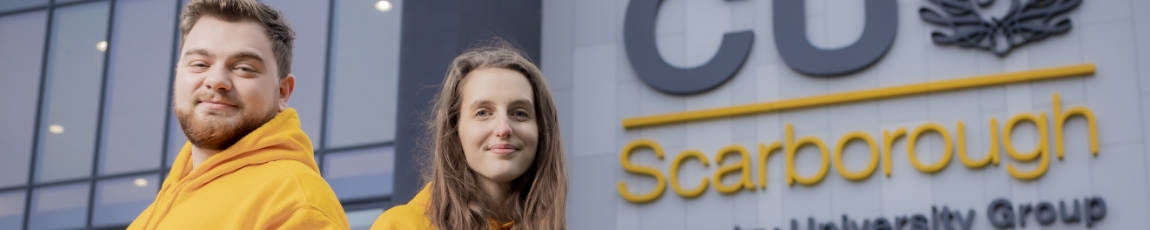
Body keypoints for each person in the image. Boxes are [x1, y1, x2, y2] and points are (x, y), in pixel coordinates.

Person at [128, 0, 348, 229]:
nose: (216, 81)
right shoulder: (151, 214)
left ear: (282, 92)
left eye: (244, 68)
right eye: (200, 64)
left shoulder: (296, 203)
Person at [372, 41, 569, 230]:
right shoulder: (402, 226)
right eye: (483, 113)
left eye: (519, 113)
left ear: (543, 132)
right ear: (455, 129)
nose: (503, 128)